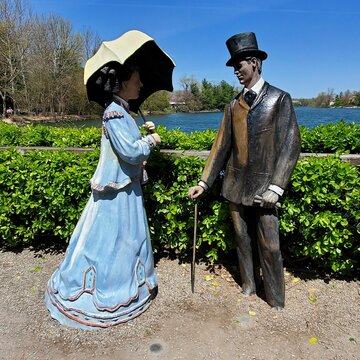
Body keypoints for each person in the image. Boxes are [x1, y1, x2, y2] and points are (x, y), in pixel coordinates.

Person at [188, 32, 300, 310]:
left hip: (265, 189)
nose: (236, 71)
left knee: (270, 245)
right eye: (234, 67)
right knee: (242, 240)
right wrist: (204, 182)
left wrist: (277, 186)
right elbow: (220, 147)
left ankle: (275, 298)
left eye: (240, 65)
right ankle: (249, 285)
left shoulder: (279, 99)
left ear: (255, 62)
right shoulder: (232, 106)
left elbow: (290, 144)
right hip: (236, 186)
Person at [45, 64, 161, 329]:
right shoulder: (114, 114)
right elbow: (130, 153)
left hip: (125, 188)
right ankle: (111, 291)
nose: (140, 85)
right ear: (121, 84)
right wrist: (151, 141)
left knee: (128, 239)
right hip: (116, 193)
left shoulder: (122, 112)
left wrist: (145, 133)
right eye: (137, 80)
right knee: (114, 240)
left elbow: (129, 148)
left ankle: (129, 284)